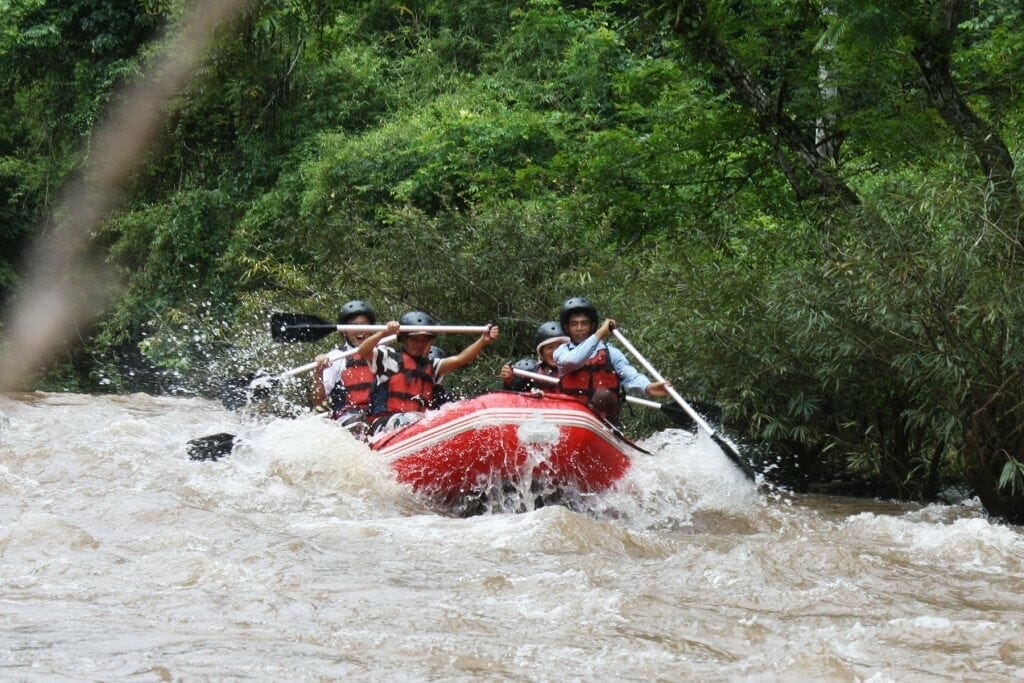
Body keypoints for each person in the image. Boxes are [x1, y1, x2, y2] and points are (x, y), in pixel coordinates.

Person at [358, 311, 500, 433]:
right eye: (414, 339)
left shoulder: (432, 367)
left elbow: (460, 360)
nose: (419, 344)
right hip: (384, 425)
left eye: (423, 340)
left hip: (418, 426)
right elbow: (363, 351)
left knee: (434, 417)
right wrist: (383, 332)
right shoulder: (388, 358)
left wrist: (483, 341)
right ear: (404, 339)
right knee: (415, 419)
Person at [552, 296, 669, 423]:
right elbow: (573, 361)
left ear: (592, 326)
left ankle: (599, 424)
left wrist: (647, 386)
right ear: (567, 328)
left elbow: (630, 375)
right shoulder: (561, 352)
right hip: (573, 418)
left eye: (584, 323)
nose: (579, 328)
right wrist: (601, 333)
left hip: (606, 420)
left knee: (603, 395)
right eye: (574, 324)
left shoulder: (610, 352)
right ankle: (586, 419)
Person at [312, 299, 377, 428]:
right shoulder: (335, 358)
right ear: (344, 331)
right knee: (357, 423)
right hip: (349, 417)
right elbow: (318, 400)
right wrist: (318, 372)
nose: (360, 330)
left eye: (364, 324)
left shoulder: (385, 352)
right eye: (354, 325)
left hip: (379, 413)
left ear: (372, 329)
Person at [499, 320, 567, 391]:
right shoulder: (531, 373)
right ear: (542, 352)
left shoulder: (574, 371)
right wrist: (508, 382)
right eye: (549, 347)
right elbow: (514, 396)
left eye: (559, 346)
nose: (555, 352)